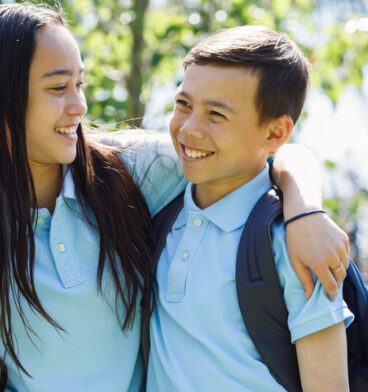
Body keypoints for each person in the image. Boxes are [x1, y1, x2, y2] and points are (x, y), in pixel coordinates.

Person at [0, 4, 350, 392]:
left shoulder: (127, 171)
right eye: (57, 88)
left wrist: (305, 208)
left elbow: (263, 153)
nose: (78, 105)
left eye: (79, 83)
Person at [147, 26, 353, 391]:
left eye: (216, 115)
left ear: (274, 133)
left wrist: (304, 211)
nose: (189, 129)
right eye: (184, 104)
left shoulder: (295, 246)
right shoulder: (161, 207)